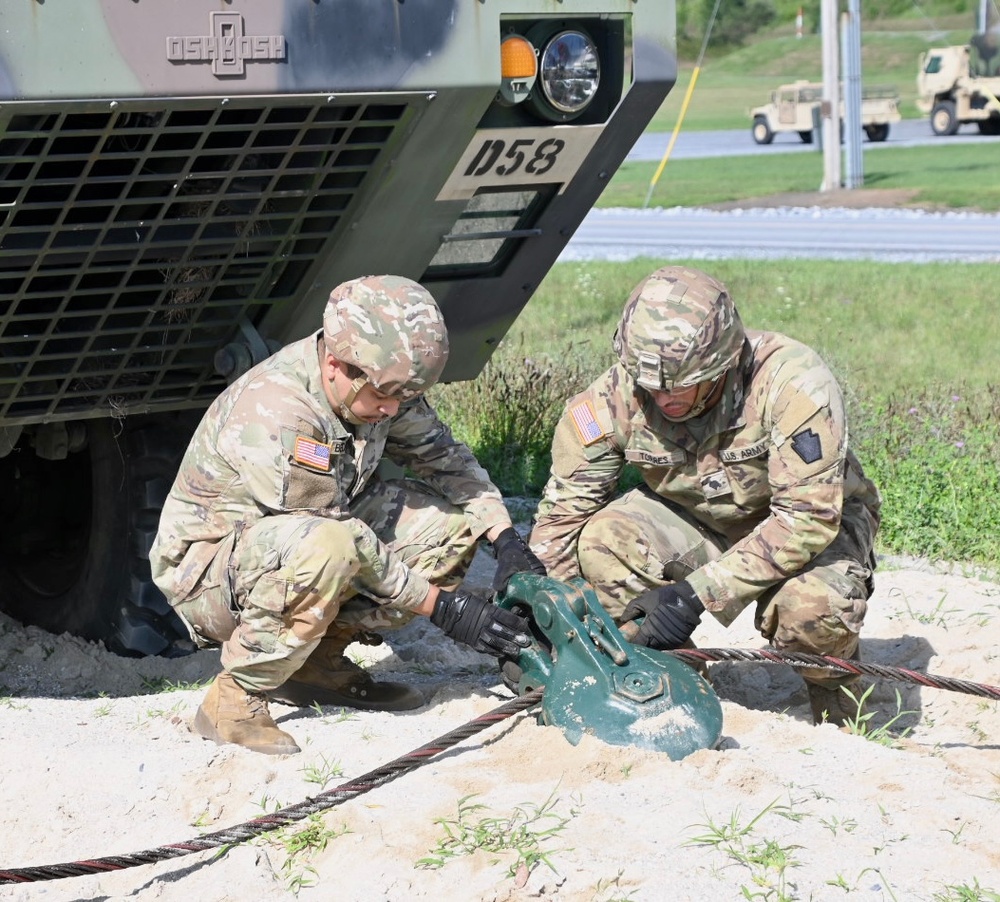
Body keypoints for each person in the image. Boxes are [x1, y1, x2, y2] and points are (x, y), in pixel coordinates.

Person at [150, 274, 544, 755]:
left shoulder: (379, 385)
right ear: (336, 365)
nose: (391, 409)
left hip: (309, 539)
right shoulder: (278, 409)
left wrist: (504, 539)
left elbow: (446, 459)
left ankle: (316, 666)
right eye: (383, 397)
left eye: (402, 397)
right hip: (209, 577)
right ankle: (235, 698)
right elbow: (338, 540)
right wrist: (444, 608)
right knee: (327, 548)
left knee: (451, 527)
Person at [529, 265, 881, 726]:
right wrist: (542, 607)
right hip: (694, 521)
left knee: (812, 610)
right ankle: (674, 676)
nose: (663, 397)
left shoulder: (791, 383)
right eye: (651, 385)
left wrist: (694, 596)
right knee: (603, 541)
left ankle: (837, 692)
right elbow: (564, 513)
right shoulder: (610, 400)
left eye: (682, 384)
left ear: (724, 362)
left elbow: (807, 518)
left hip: (808, 527)